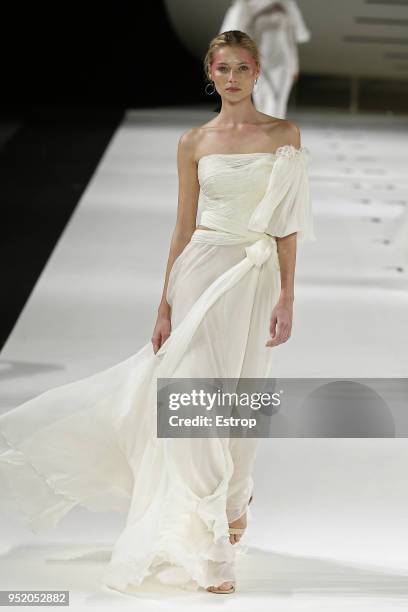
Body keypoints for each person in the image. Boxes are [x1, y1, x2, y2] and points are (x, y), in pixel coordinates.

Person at [0, 30, 316, 595]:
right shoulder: (194, 141)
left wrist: (288, 297)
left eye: (243, 67)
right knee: (190, 396)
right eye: (223, 68)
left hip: (255, 276)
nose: (233, 77)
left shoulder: (284, 136)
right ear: (210, 74)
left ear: (257, 71)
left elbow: (287, 225)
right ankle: (213, 542)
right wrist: (165, 302)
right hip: (200, 272)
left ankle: (236, 495)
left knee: (241, 396)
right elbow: (182, 225)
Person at [220, 0, 311, 118]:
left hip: (283, 62)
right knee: (262, 98)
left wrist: (294, 67)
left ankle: (275, 131)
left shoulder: (286, 9)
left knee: (279, 99)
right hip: (259, 61)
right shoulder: (247, 8)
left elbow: (291, 41)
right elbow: (239, 35)